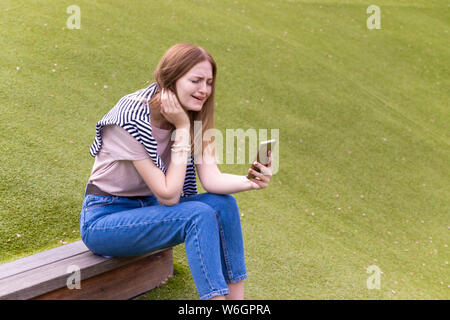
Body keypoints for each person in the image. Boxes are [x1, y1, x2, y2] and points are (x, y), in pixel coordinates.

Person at [80, 43, 273, 300]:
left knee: (223, 204)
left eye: (209, 82)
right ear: (171, 78)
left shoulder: (193, 115)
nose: (204, 90)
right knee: (197, 214)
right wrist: (182, 129)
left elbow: (211, 179)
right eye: (196, 80)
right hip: (104, 220)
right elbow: (169, 195)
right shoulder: (128, 119)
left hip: (148, 211)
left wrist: (251, 182)